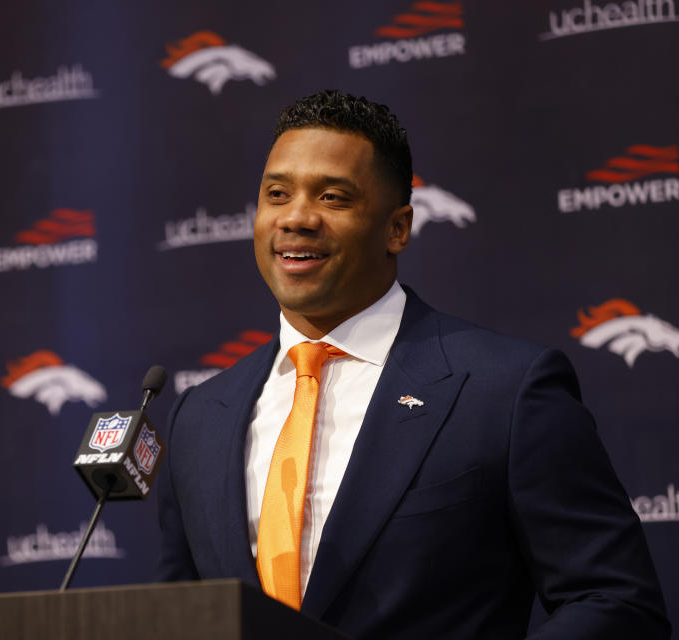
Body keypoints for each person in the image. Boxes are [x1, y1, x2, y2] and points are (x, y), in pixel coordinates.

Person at [156, 90, 670, 639]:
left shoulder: (505, 390)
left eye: (332, 197)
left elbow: (616, 603)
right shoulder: (198, 419)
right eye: (277, 194)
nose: (297, 218)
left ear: (397, 228)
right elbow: (178, 618)